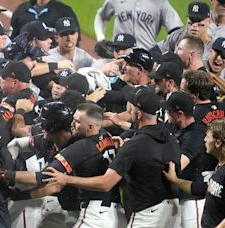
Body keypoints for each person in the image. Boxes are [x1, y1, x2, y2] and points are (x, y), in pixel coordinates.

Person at [43, 88, 181, 227]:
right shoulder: (170, 139)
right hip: (173, 211)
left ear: (138, 114)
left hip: (147, 213)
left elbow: (105, 183)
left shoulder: (133, 145)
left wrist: (67, 179)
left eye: (131, 108)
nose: (130, 111)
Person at [162, 91, 215, 227]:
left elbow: (179, 165)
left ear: (180, 114)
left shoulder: (195, 134)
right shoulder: (175, 126)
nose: (167, 114)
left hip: (194, 200)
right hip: (180, 196)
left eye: (169, 111)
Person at [163, 118, 225, 228]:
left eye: (207, 136)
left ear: (218, 143)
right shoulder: (220, 166)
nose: (204, 140)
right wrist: (175, 180)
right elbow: (201, 188)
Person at [94, 0, 183, 50]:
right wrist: (100, 38)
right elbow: (100, 16)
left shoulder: (161, 3)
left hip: (146, 56)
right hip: (119, 53)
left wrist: (162, 50)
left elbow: (176, 31)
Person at [10, 0, 80, 44]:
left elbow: (74, 39)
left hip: (51, 58)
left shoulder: (64, 11)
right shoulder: (22, 9)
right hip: (24, 57)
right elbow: (14, 36)